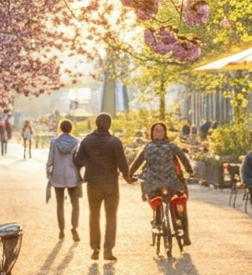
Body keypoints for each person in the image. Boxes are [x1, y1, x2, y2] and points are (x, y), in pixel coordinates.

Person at [73, 112, 128, 262]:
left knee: (94, 215)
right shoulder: (114, 142)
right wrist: (127, 176)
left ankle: (95, 248)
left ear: (96, 123)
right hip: (110, 184)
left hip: (93, 183)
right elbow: (122, 162)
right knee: (111, 217)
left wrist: (86, 166)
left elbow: (77, 159)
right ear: (109, 124)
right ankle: (108, 250)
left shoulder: (87, 140)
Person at [129, 122, 194, 246]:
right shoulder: (168, 146)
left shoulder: (151, 147)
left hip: (155, 184)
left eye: (160, 130)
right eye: (156, 130)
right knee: (179, 203)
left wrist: (130, 175)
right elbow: (137, 162)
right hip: (171, 183)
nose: (158, 132)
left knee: (170, 202)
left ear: (164, 132)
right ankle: (183, 233)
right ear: (152, 133)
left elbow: (183, 158)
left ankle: (159, 222)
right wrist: (190, 172)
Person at [46, 119, 83, 242]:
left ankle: (61, 230)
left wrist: (48, 174)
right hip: (72, 176)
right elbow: (79, 160)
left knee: (60, 205)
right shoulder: (77, 142)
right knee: (75, 204)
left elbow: (50, 161)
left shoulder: (54, 143)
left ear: (60, 128)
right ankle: (74, 227)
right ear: (71, 129)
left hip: (58, 176)